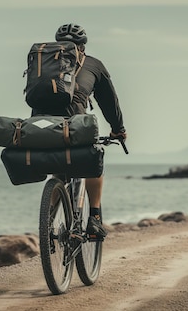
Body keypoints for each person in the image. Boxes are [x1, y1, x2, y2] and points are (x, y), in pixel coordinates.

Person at [31, 23, 127, 241]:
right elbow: (109, 103)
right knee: (95, 165)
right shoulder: (93, 64)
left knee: (59, 170)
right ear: (83, 46)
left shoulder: (43, 62)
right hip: (76, 124)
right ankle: (94, 219)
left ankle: (47, 223)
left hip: (40, 125)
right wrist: (118, 130)